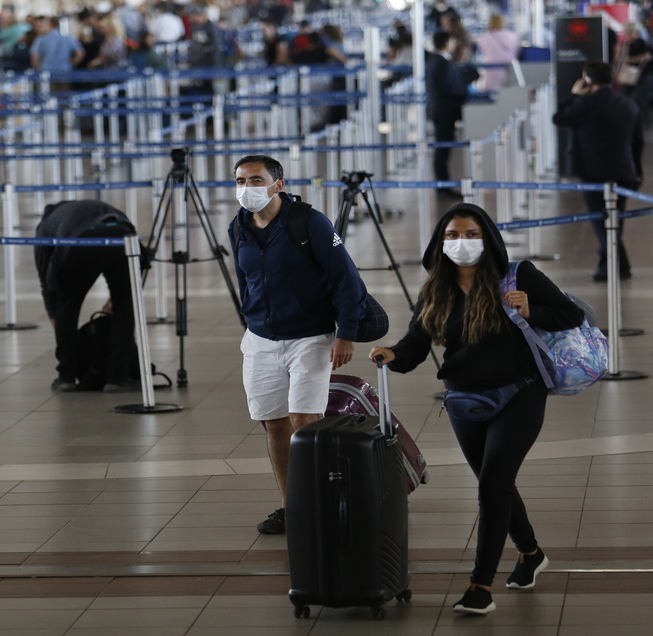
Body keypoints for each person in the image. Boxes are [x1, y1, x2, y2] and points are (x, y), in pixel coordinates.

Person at [368, 203, 583, 615]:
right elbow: (417, 343)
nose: (461, 243)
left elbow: (570, 315)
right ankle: (531, 554)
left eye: (471, 235)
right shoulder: (435, 289)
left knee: (492, 486)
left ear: (488, 239)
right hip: (465, 399)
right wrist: (392, 354)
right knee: (495, 482)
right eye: (452, 236)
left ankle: (480, 586)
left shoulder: (517, 277)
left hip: (520, 393)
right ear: (440, 242)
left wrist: (531, 310)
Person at [228, 155, 367, 535]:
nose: (247, 188)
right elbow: (245, 281)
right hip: (260, 339)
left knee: (304, 422)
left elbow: (346, 279)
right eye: (241, 181)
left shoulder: (310, 222)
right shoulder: (238, 226)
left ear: (279, 185)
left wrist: (346, 333)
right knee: (274, 425)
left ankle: (321, 503)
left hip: (310, 337)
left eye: (256, 180)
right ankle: (292, 507)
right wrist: (251, 317)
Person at [34, 200, 140, 393]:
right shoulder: (100, 207)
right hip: (122, 236)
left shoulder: (46, 226)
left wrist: (58, 322)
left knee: (68, 306)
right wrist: (113, 302)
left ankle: (66, 377)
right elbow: (137, 259)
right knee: (125, 307)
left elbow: (47, 285)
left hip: (80, 241)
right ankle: (118, 378)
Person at [552, 60, 644, 282]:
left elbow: (559, 118)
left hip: (594, 174)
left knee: (601, 221)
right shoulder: (627, 104)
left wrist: (575, 95)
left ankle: (614, 265)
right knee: (615, 220)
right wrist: (638, 169)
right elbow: (637, 140)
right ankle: (614, 265)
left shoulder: (584, 104)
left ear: (587, 80)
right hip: (624, 171)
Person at [427, 31, 474, 198]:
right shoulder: (441, 63)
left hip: (443, 112)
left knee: (443, 151)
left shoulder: (437, 61)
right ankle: (443, 188)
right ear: (447, 43)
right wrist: (464, 91)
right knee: (442, 152)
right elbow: (449, 88)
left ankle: (444, 187)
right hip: (444, 113)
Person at [475, 15, 519, 92]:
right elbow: (517, 52)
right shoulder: (512, 36)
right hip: (509, 70)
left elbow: (481, 50)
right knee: (509, 93)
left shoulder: (486, 37)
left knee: (491, 94)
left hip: (491, 70)